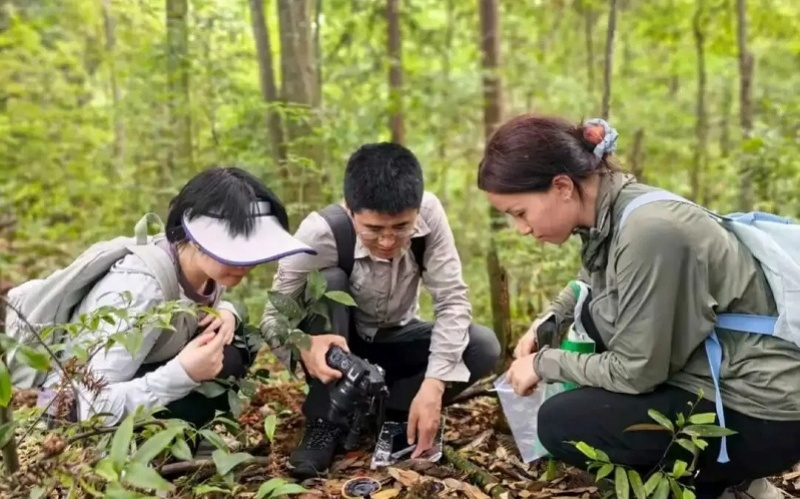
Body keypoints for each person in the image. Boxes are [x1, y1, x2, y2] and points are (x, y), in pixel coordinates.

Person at [476, 113, 800, 499]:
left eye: (520, 213)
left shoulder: (649, 231)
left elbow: (636, 372)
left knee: (562, 422)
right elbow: (589, 285)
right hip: (726, 380)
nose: (523, 229)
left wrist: (544, 362)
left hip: (764, 411)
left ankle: (729, 481)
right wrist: (548, 320)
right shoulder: (616, 210)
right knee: (595, 321)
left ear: (562, 186)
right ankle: (727, 481)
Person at [261, 142, 500, 479]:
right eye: (373, 229)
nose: (388, 241)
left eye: (402, 227)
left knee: (482, 345)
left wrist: (433, 386)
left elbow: (452, 301)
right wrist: (304, 345)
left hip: (396, 337)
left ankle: (392, 414)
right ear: (351, 210)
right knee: (328, 282)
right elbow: (272, 319)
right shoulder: (319, 234)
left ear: (417, 210)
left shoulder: (430, 215)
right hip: (339, 348)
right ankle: (325, 422)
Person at [38, 166, 315, 429]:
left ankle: (191, 437)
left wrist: (227, 311)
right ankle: (170, 445)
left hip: (141, 376)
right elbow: (90, 406)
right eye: (236, 248)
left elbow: (192, 303)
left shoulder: (204, 270)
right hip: (73, 414)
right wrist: (183, 373)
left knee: (237, 339)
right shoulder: (140, 290)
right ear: (194, 236)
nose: (246, 264)